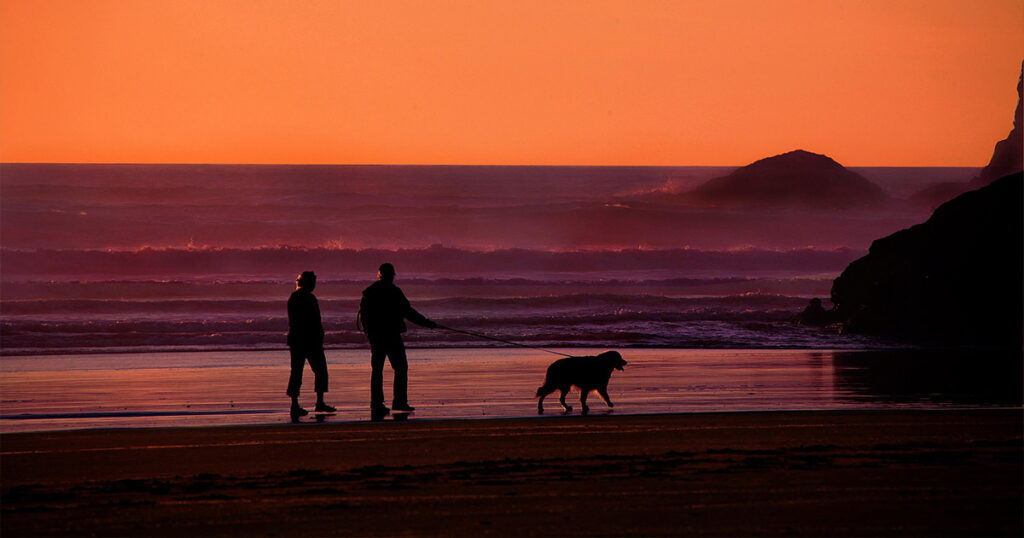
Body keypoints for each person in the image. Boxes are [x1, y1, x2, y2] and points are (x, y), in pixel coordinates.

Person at [358, 263, 437, 417]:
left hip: (377, 336)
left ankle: (378, 403)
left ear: (379, 275)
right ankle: (398, 402)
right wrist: (427, 323)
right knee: (400, 368)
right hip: (391, 335)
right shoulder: (394, 292)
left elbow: (365, 317)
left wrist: (369, 332)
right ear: (391, 275)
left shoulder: (370, 292)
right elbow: (408, 312)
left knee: (378, 370)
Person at [286, 271, 334, 417]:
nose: (314, 285)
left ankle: (295, 404)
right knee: (320, 370)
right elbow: (314, 320)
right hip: (310, 340)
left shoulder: (294, 297)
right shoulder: (309, 297)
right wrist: (319, 335)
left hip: (296, 340)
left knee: (296, 372)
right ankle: (319, 402)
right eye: (312, 282)